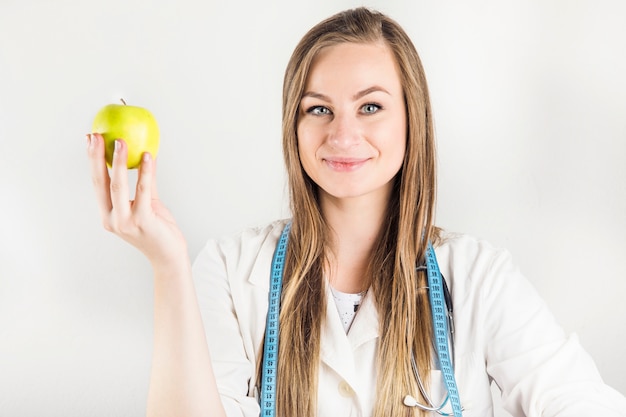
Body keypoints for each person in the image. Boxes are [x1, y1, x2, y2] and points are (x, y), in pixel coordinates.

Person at [86, 7, 626, 417]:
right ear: (292, 129)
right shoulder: (227, 271)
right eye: (318, 109)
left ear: (411, 120)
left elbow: (585, 404)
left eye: (370, 106)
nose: (343, 135)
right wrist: (167, 266)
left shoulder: (479, 278)